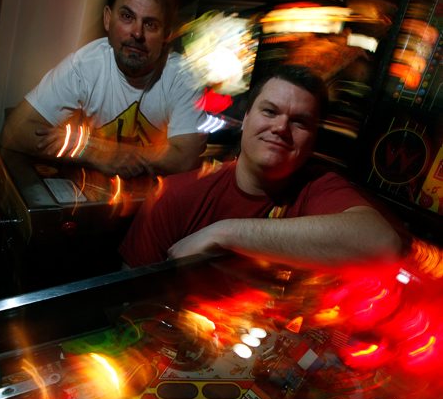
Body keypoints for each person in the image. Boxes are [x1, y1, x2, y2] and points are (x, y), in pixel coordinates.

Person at [119, 64, 404, 268]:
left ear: (313, 138)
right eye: (270, 111)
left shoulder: (316, 188)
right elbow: (122, 304)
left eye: (300, 121)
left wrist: (225, 233)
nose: (281, 127)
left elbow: (382, 241)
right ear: (245, 119)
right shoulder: (175, 195)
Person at [0, 0, 207, 178]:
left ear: (166, 36)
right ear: (108, 19)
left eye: (150, 24)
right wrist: (92, 153)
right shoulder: (85, 65)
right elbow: (14, 132)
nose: (137, 33)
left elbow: (185, 158)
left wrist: (101, 149)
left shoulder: (183, 76)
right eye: (127, 17)